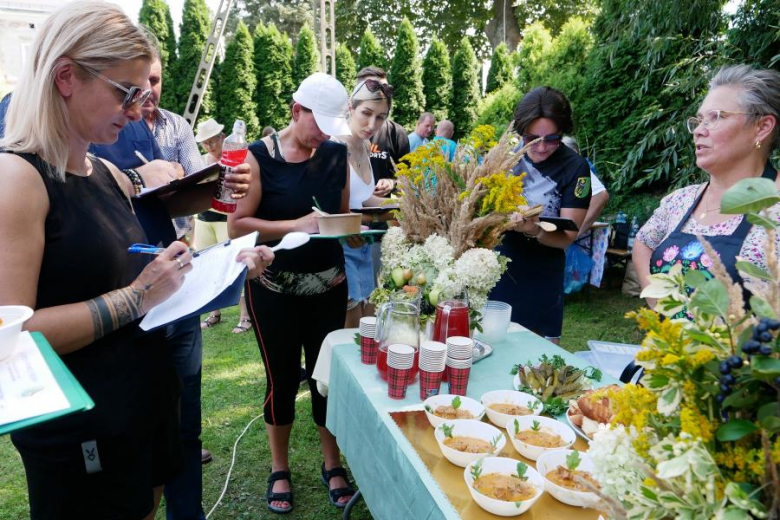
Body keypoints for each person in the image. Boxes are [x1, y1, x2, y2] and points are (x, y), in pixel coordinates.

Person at [0, 3, 270, 519]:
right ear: (66, 78)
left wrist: (227, 259)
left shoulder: (102, 169)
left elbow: (159, 224)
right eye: (126, 91)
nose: (135, 108)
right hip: (82, 430)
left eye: (143, 93)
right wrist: (137, 296)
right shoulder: (17, 178)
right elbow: (14, 335)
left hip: (139, 406)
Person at [229, 72, 357, 514]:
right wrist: (293, 225)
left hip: (328, 286)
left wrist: (361, 226)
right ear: (295, 110)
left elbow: (339, 216)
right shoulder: (258, 157)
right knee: (281, 380)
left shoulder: (336, 153)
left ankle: (332, 462)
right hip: (274, 290)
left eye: (329, 126)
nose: (322, 134)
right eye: (316, 123)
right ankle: (279, 467)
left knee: (326, 380)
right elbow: (238, 224)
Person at [634, 64, 780, 310]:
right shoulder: (679, 201)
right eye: (699, 120)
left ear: (762, 127)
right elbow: (643, 242)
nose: (699, 131)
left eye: (717, 117)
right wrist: (659, 302)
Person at [140, 47, 210, 517]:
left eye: (156, 78)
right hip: (135, 288)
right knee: (141, 428)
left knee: (186, 420)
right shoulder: (103, 128)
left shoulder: (175, 126)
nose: (148, 90)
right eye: (137, 80)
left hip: (179, 283)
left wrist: (217, 186)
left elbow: (189, 195)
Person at [490, 87, 591, 343]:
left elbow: (568, 236)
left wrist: (534, 229)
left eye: (552, 139)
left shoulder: (575, 167)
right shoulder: (504, 159)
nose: (542, 147)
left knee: (534, 362)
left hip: (541, 276)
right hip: (496, 270)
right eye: (532, 138)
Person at [334, 77, 394, 327]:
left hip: (362, 245)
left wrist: (403, 204)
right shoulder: (334, 146)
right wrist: (387, 214)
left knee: (369, 325)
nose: (372, 124)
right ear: (350, 107)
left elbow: (363, 198)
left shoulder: (366, 145)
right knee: (351, 331)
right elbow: (336, 210)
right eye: (366, 113)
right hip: (340, 248)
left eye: (380, 117)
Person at [357, 66, 410, 196]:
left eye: (384, 89)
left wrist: (392, 183)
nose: (379, 94)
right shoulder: (340, 133)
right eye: (372, 88)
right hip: (350, 214)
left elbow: (408, 178)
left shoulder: (396, 133)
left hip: (384, 212)